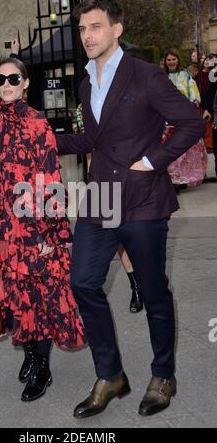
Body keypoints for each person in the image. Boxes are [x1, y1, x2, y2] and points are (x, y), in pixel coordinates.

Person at [55, 0, 205, 418]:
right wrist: (44, 139)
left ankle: (163, 375)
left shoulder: (147, 76)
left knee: (154, 291)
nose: (87, 35)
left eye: (95, 27)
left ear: (116, 30)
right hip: (101, 197)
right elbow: (92, 141)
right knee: (83, 281)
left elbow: (191, 123)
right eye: (83, 28)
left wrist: (152, 162)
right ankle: (111, 376)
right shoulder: (85, 82)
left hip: (142, 199)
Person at [0, 57, 85, 402]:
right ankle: (31, 356)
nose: (5, 84)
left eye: (13, 78)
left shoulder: (37, 124)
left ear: (25, 83)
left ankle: (42, 368)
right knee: (10, 292)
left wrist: (50, 231)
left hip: (30, 225)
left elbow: (50, 178)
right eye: (0, 78)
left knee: (37, 295)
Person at [76, 103, 142, 313]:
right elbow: (89, 149)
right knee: (109, 238)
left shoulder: (128, 101)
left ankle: (137, 284)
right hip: (101, 182)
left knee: (125, 237)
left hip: (128, 177)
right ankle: (129, 285)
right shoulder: (83, 108)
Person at [163, 49, 207, 192]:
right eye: (168, 59)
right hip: (166, 119)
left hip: (184, 116)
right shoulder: (161, 76)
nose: (171, 62)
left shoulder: (185, 75)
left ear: (178, 60)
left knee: (184, 150)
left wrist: (193, 103)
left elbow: (193, 91)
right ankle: (172, 180)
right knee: (169, 149)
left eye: (173, 59)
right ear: (165, 61)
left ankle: (182, 178)